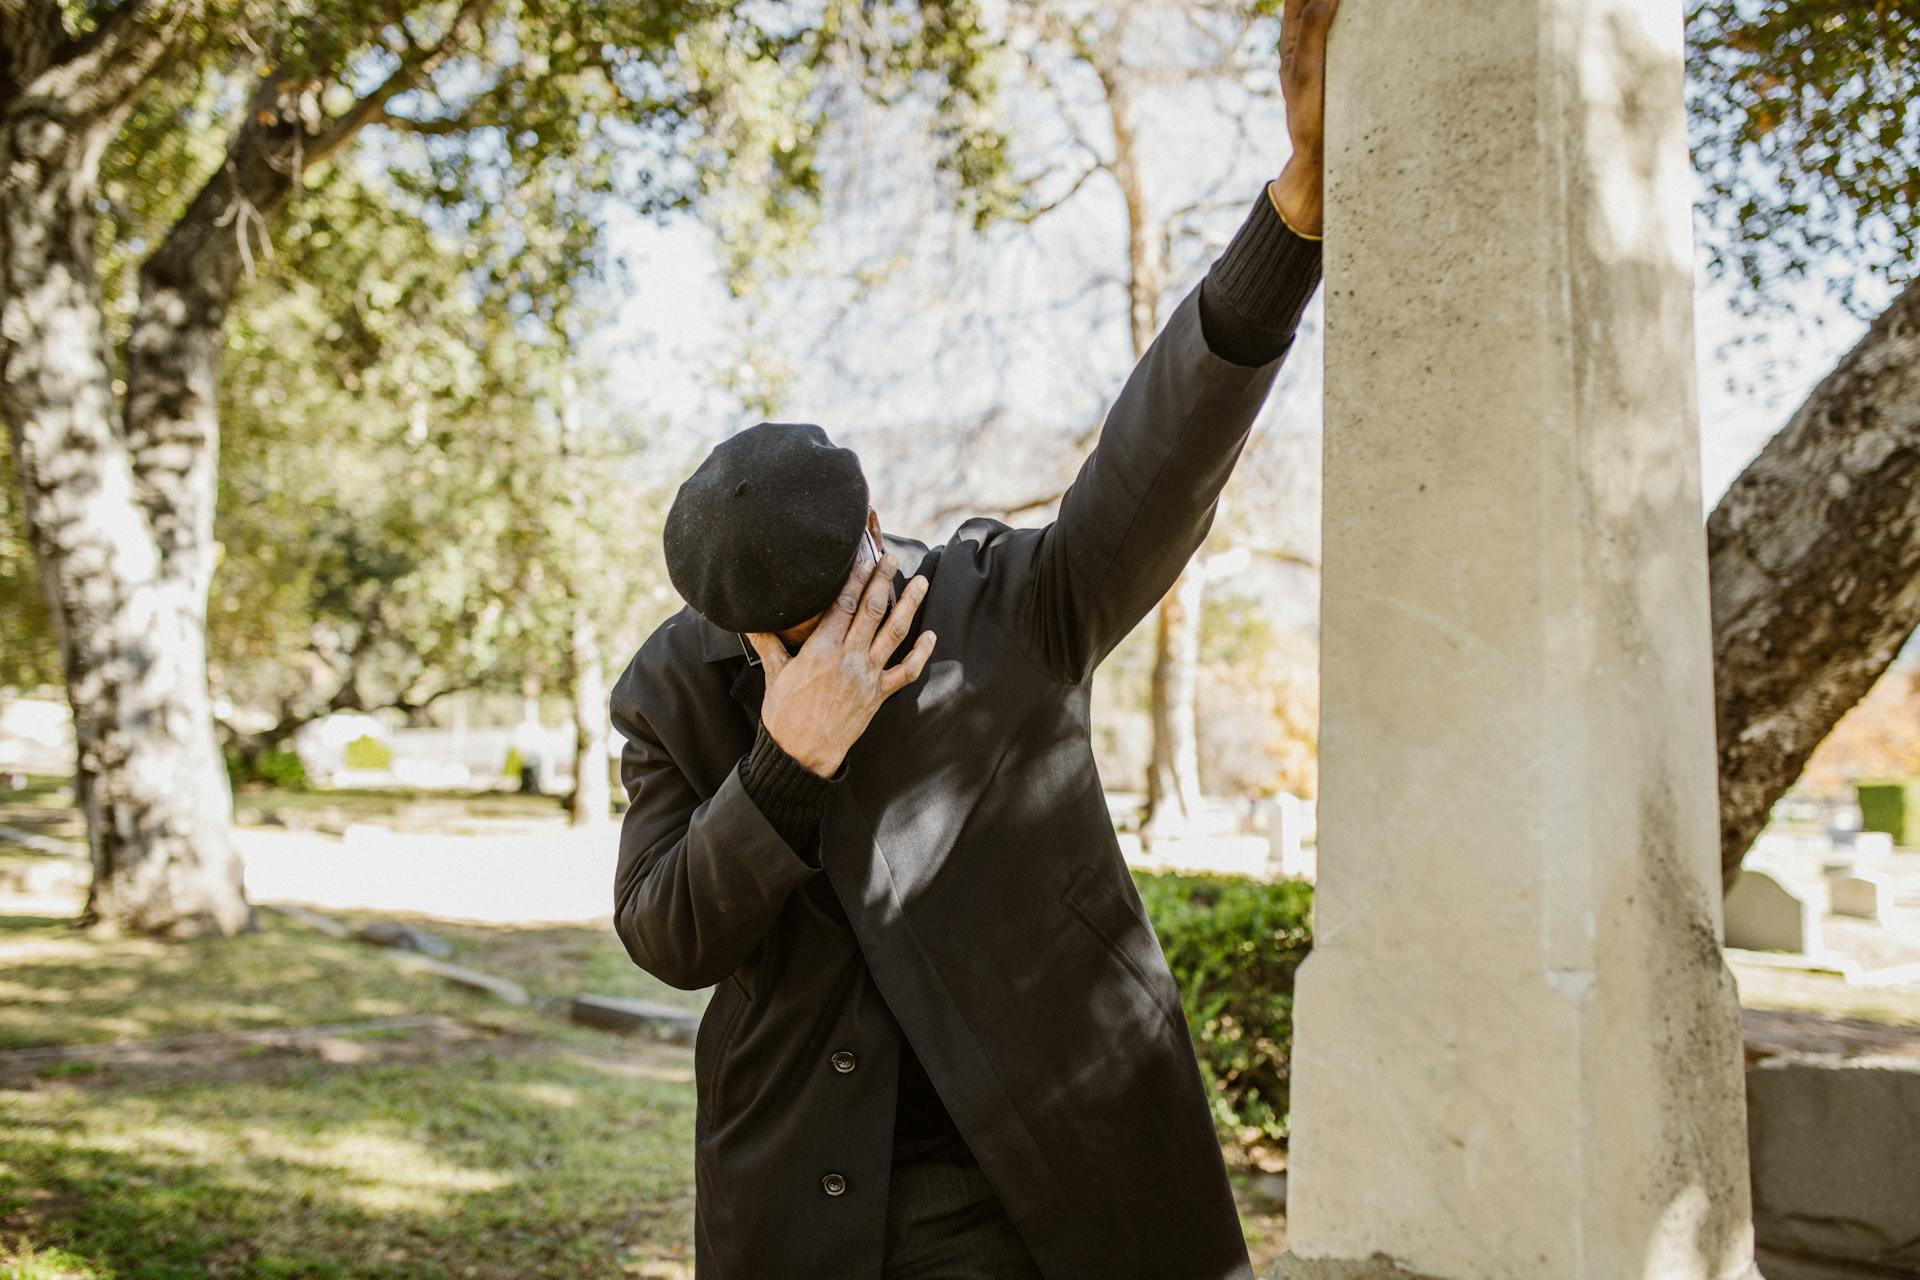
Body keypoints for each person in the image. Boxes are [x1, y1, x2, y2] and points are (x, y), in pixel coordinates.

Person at [610, 2, 1338, 1275]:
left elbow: (1150, 463)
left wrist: (1294, 217)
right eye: (784, 633)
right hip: (804, 1203)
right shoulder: (672, 688)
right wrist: (783, 761)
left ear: (877, 528)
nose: (830, 635)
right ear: (726, 625)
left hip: (1051, 1186)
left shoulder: (1009, 602)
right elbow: (666, 932)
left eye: (847, 597)